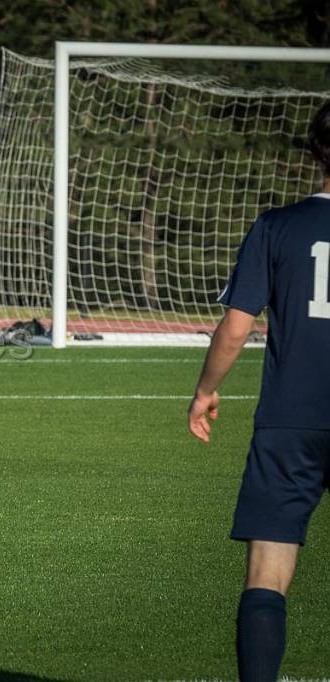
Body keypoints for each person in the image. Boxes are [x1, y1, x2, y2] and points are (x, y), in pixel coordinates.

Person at [188, 100, 330, 682]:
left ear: (317, 153)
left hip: (290, 421)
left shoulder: (277, 225)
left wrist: (204, 391)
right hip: (291, 423)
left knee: (267, 573)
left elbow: (237, 327)